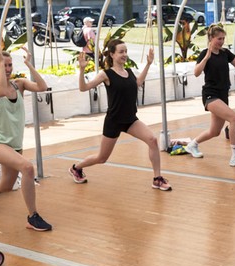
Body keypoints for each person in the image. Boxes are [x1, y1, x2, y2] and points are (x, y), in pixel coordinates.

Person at [69, 39, 172, 191]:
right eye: (121, 52)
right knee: (102, 158)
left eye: (126, 51)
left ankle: (157, 179)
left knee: (152, 140)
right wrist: (82, 70)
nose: (125, 54)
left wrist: (149, 64)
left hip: (130, 119)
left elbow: (137, 84)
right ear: (112, 54)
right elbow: (83, 88)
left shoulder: (128, 72)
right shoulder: (106, 74)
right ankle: (76, 168)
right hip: (114, 121)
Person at [0, 45, 52, 231]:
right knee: (28, 168)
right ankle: (33, 217)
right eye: (3, 65)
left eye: (9, 65)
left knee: (6, 185)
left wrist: (29, 64)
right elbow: (0, 91)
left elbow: (42, 87)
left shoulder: (19, 84)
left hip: (15, 144)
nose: (7, 69)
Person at [183, 24, 235, 168]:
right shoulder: (205, 54)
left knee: (214, 131)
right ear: (211, 38)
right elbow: (196, 73)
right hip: (211, 94)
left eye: (223, 38)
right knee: (234, 119)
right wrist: (206, 58)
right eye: (218, 39)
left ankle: (192, 145)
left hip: (223, 94)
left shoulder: (225, 53)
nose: (221, 41)